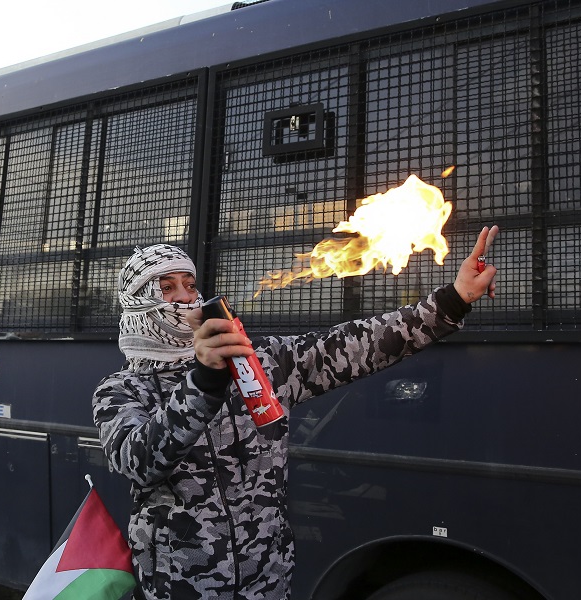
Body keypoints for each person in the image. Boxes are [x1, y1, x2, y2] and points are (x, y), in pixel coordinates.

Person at [93, 227, 499, 600]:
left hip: (268, 584)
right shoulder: (121, 390)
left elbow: (355, 345)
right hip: (179, 589)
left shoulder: (261, 362)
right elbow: (138, 462)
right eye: (166, 288)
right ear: (137, 302)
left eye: (190, 284)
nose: (186, 297)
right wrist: (203, 381)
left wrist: (453, 299)